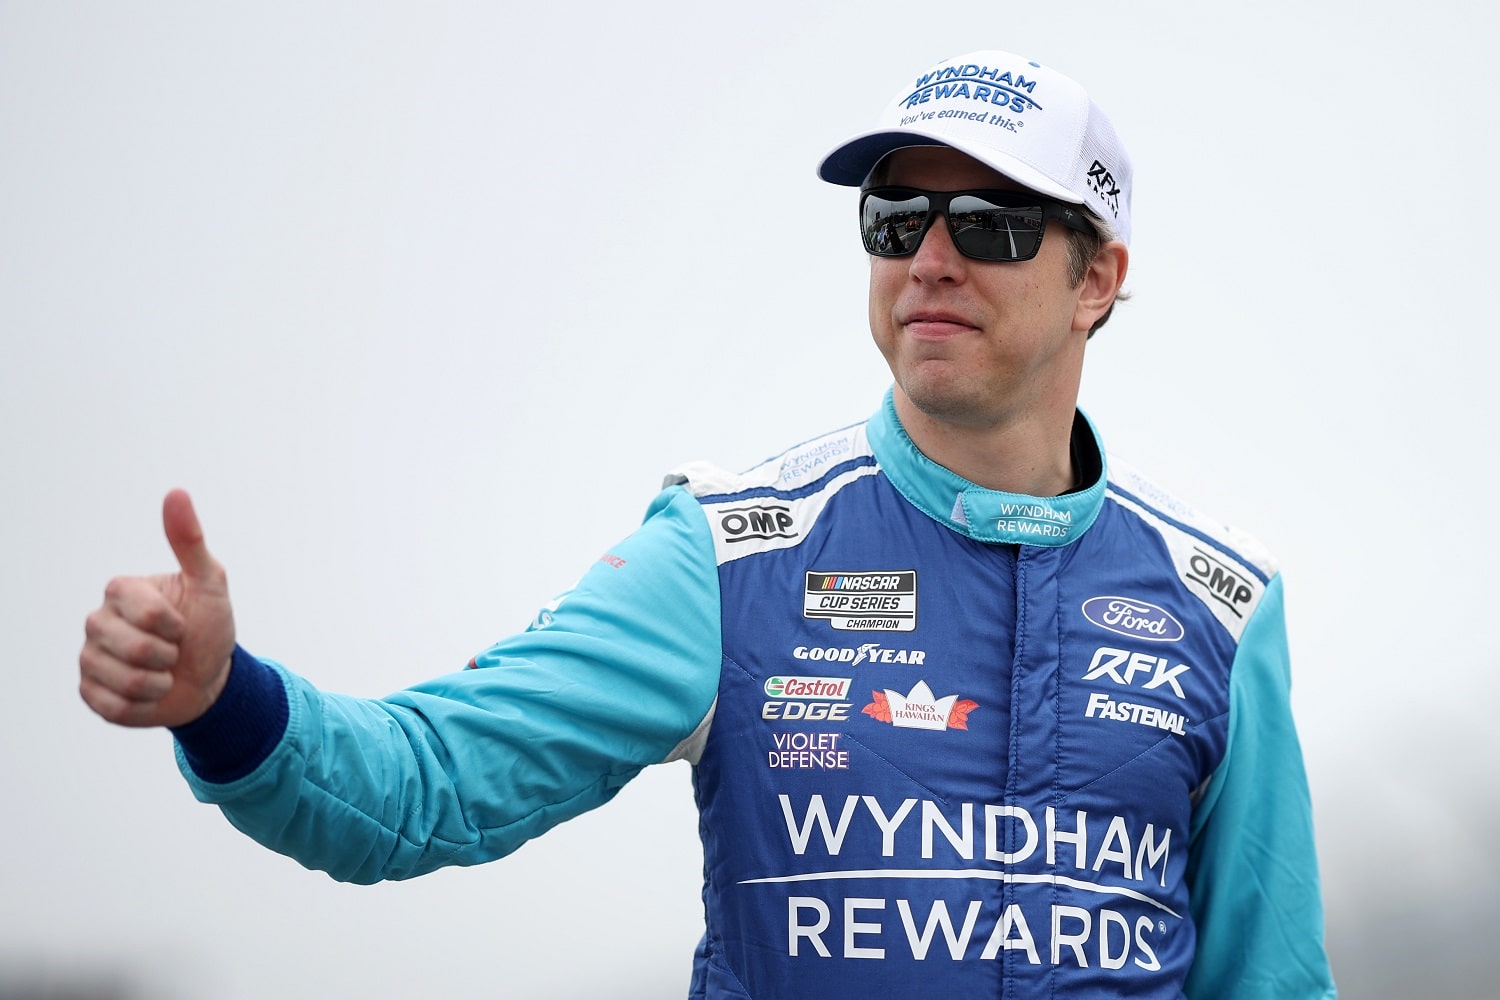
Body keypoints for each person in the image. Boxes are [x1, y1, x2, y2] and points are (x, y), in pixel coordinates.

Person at [78, 49, 1336, 998]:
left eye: (993, 224)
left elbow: (1273, 984)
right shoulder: (728, 555)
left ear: (1099, 278)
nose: (932, 260)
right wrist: (221, 696)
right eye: (898, 219)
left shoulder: (1223, 604)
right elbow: (423, 787)